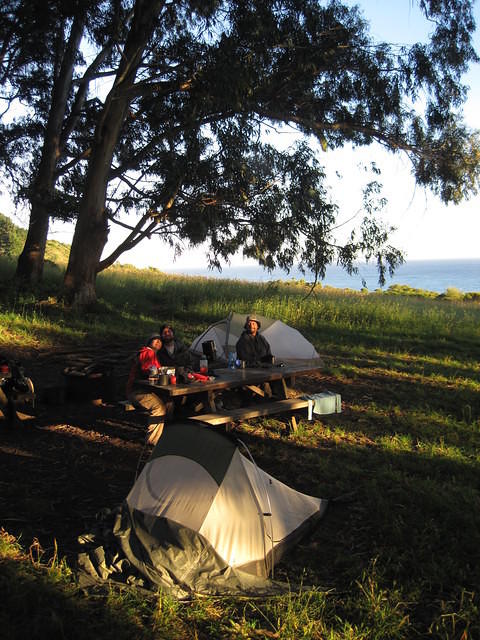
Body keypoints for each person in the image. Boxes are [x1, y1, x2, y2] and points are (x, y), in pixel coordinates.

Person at [126, 334, 166, 446]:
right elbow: (147, 370)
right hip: (137, 392)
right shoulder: (147, 352)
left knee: (169, 402)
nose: (158, 341)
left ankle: (163, 434)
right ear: (149, 342)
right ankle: (152, 441)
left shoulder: (152, 355)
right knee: (159, 407)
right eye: (155, 340)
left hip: (144, 390)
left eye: (160, 340)